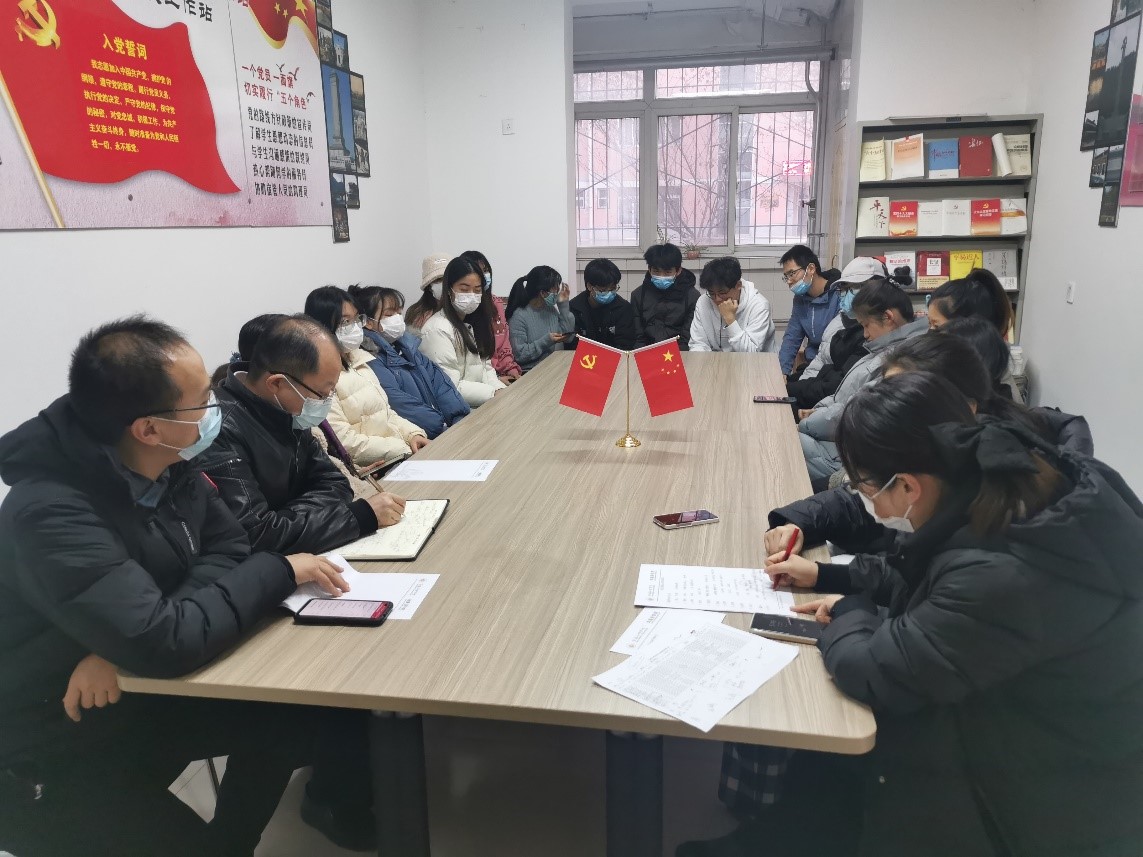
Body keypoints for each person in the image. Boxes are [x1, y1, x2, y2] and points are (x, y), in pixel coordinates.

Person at [0, 317, 373, 856]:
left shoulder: (169, 461)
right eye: (202, 402)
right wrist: (280, 570)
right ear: (148, 428)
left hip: (130, 683)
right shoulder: (52, 511)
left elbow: (230, 549)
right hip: (51, 732)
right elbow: (168, 639)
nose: (216, 409)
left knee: (293, 714)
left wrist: (119, 646)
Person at [765, 372, 1142, 857]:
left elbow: (873, 671)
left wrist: (849, 609)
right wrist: (830, 576)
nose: (863, 500)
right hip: (1043, 724)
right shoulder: (997, 482)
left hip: (1049, 797)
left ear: (908, 487)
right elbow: (921, 576)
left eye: (863, 487)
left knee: (847, 738)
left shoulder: (999, 575)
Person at [201, 315, 407, 554]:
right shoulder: (220, 430)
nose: (326, 401)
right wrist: (358, 517)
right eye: (322, 394)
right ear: (277, 384)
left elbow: (336, 483)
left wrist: (286, 520)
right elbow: (256, 535)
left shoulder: (286, 408)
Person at [798, 277, 928, 483]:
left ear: (888, 317)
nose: (865, 334)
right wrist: (818, 410)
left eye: (866, 325)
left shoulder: (902, 359)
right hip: (837, 435)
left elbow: (856, 411)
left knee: (781, 442)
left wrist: (805, 424)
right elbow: (843, 394)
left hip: (851, 455)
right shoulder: (881, 348)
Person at [303, 286, 430, 468]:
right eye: (345, 322)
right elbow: (345, 442)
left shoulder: (360, 360)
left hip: (399, 456)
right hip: (377, 466)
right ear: (321, 326)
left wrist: (413, 435)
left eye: (356, 319)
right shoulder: (319, 379)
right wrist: (403, 448)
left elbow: (386, 413)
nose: (355, 327)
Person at [349, 284, 470, 437]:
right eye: (389, 314)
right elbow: (398, 404)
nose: (397, 318)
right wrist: (439, 426)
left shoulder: (409, 349)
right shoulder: (370, 360)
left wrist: (458, 418)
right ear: (368, 321)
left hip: (444, 431)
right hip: (420, 436)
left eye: (399, 313)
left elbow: (440, 384)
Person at [785, 257, 890, 411]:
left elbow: (839, 388)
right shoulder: (841, 319)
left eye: (851, 289)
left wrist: (794, 390)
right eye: (842, 290)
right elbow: (821, 362)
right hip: (819, 396)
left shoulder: (874, 334)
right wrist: (793, 384)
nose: (844, 295)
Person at [418, 255, 507, 406]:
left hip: (482, 402)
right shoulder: (436, 329)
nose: (472, 295)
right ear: (449, 290)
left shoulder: (473, 322)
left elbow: (486, 368)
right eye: (464, 289)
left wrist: (499, 389)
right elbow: (449, 384)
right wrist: (492, 393)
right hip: (459, 409)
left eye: (477, 290)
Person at [926, 269, 1023, 402]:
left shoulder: (989, 387)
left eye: (936, 326)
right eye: (929, 323)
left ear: (969, 328)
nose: (929, 332)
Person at [777, 244, 841, 376]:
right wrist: (782, 373)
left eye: (792, 274)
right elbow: (792, 338)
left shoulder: (839, 294)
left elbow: (837, 344)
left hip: (834, 367)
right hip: (811, 364)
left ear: (811, 268)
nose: (789, 281)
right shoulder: (800, 299)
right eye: (786, 277)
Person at [690, 256, 776, 353]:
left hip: (754, 361)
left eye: (722, 293)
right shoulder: (703, 301)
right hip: (714, 360)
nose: (717, 299)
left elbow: (752, 352)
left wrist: (730, 320)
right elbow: (698, 343)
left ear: (738, 285)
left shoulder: (759, 305)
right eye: (712, 293)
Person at [461, 249, 522, 383]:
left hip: (501, 374)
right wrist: (496, 380)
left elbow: (504, 344)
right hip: (481, 379)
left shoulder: (496, 303)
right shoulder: (465, 307)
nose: (484, 275)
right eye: (478, 271)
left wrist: (511, 368)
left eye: (486, 270)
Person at [630, 242, 700, 349]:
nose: (661, 276)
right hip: (646, 351)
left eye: (667, 272)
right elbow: (638, 336)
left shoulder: (692, 296)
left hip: (680, 352)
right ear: (649, 270)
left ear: (678, 271)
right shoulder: (638, 295)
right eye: (656, 271)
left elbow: (687, 337)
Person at [506, 265, 576, 371]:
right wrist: (546, 341)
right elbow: (519, 355)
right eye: (555, 291)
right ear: (543, 293)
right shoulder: (519, 316)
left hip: (553, 367)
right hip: (530, 371)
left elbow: (568, 338)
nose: (557, 294)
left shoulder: (550, 309)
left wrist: (563, 305)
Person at [569, 258, 637, 350]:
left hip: (615, 356)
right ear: (589, 286)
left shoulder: (623, 308)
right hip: (584, 357)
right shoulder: (574, 308)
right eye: (604, 290)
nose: (609, 293)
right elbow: (572, 344)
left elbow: (625, 344)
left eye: (612, 289)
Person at [403, 253, 449, 339]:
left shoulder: (463, 308)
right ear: (429, 286)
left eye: (448, 279)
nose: (444, 284)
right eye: (438, 280)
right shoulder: (416, 313)